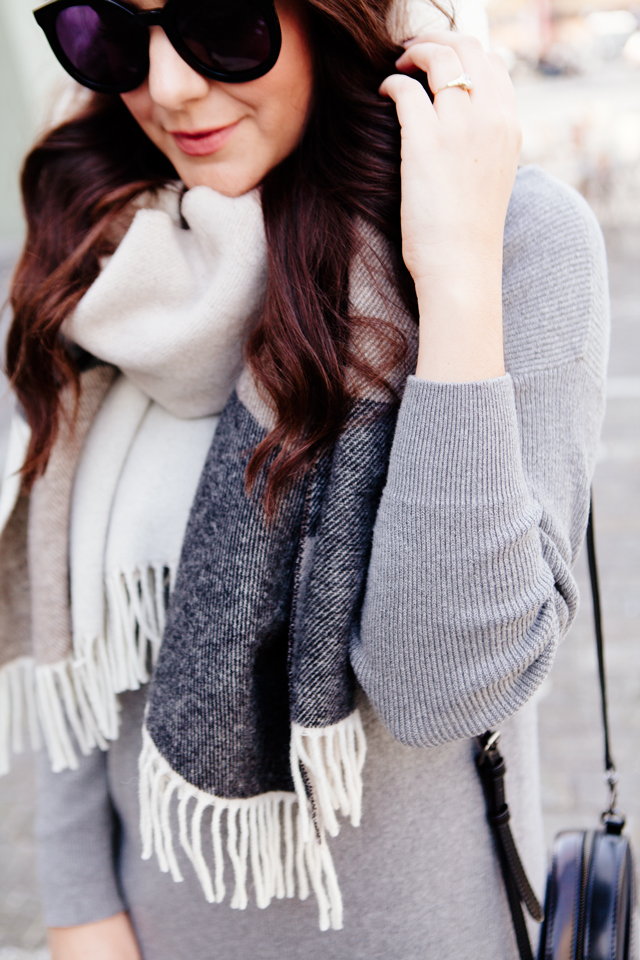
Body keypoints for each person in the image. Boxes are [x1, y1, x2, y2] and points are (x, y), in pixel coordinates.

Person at [0, 0, 609, 955]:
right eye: (106, 31)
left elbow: (437, 688)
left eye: (221, 22)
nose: (167, 88)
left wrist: (450, 273)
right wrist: (79, 906)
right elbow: (77, 650)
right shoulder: (98, 257)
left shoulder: (513, 241)